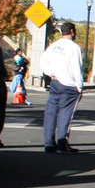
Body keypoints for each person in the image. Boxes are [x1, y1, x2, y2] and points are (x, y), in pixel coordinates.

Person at [40, 21, 85, 153]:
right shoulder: (74, 47)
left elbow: (43, 61)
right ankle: (62, 143)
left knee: (51, 113)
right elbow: (77, 67)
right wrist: (79, 86)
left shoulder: (53, 46)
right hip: (69, 85)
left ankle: (49, 143)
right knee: (65, 114)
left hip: (56, 82)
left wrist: (50, 73)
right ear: (71, 31)